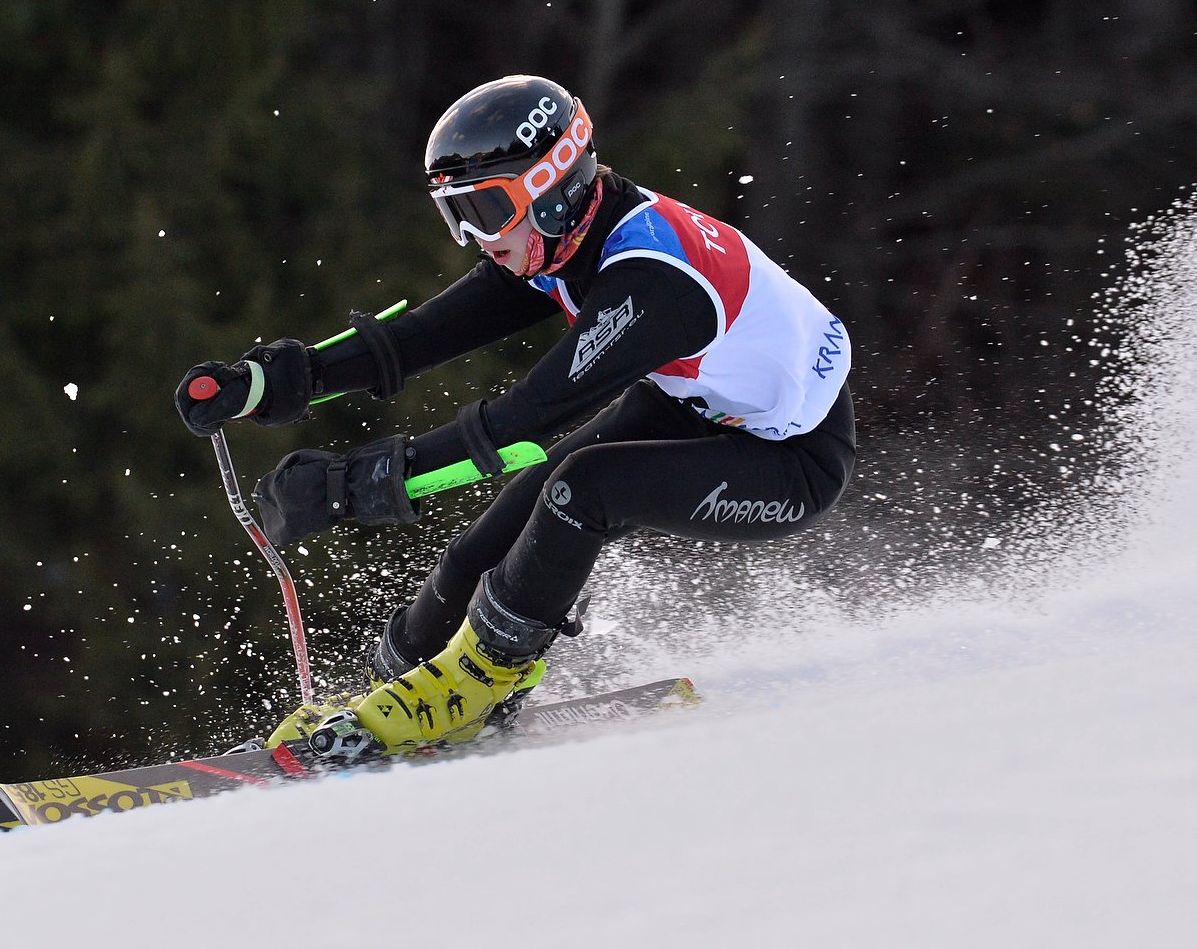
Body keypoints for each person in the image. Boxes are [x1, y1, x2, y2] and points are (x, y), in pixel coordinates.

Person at [175, 75, 855, 758]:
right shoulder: (563, 238)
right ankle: (391, 688)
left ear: (554, 186)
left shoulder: (650, 279)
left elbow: (523, 423)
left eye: (487, 209)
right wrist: (272, 380)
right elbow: (417, 339)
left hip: (791, 460)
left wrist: (353, 487)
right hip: (692, 406)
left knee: (580, 490)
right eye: (455, 213)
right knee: (480, 550)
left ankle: (479, 685)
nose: (474, 236)